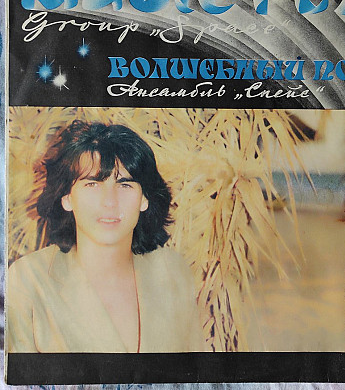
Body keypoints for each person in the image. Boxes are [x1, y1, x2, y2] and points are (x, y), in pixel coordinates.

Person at [7, 120, 205, 353]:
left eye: (125, 185)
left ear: (144, 199)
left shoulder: (173, 271)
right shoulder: (27, 280)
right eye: (93, 184)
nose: (110, 202)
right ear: (67, 198)